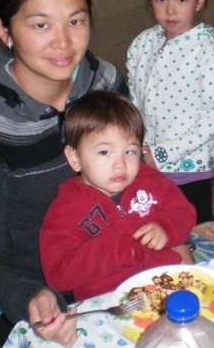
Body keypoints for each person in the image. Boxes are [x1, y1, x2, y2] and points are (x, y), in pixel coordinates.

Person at [0, 0, 130, 348]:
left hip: (111, 276)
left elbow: (135, 176)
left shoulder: (105, 85)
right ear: (4, 30)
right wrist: (30, 295)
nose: (63, 43)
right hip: (33, 297)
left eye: (76, 20)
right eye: (40, 25)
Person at [39, 90, 196, 301]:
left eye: (130, 151)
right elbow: (57, 275)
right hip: (111, 303)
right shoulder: (65, 210)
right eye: (105, 152)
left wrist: (167, 229)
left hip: (169, 284)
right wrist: (115, 251)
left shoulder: (150, 181)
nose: (121, 163)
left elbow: (184, 212)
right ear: (75, 157)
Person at [126, 0, 214, 224]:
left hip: (189, 169)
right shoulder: (142, 44)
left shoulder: (210, 56)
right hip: (146, 162)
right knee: (150, 227)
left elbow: (212, 119)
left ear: (200, 1)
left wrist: (164, 152)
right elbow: (133, 100)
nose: (170, 10)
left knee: (192, 230)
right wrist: (135, 147)